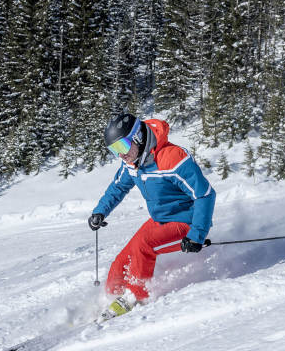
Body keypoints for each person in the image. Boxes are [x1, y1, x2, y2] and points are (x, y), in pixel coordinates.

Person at [89, 113, 215, 318]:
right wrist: (100, 211)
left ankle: (134, 297)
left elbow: (205, 194)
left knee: (144, 245)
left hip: (188, 220)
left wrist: (197, 235)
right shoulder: (133, 162)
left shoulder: (173, 158)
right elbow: (118, 187)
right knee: (123, 259)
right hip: (161, 220)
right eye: (114, 150)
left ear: (137, 137)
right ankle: (112, 298)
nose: (120, 155)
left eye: (121, 147)